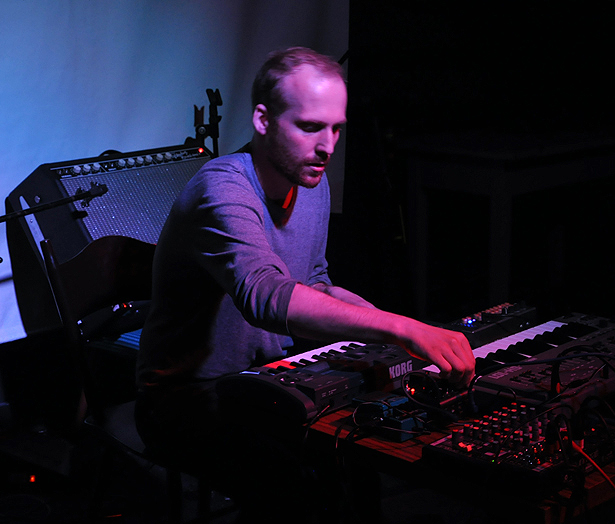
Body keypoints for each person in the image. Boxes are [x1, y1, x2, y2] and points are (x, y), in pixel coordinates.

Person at [134, 46, 475, 522]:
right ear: (263, 120)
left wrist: (406, 330)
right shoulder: (223, 188)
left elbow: (314, 283)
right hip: (186, 401)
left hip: (267, 381)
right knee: (301, 488)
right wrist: (400, 329)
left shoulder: (310, 181)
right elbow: (265, 295)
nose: (327, 146)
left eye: (336, 129)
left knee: (358, 453)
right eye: (311, 127)